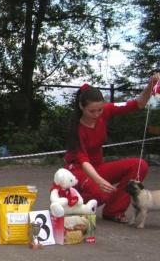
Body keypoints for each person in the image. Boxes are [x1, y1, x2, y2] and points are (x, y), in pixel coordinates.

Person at [64, 74, 160, 223]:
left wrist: (151, 84)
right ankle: (69, 202)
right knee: (102, 193)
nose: (97, 114)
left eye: (100, 110)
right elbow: (83, 161)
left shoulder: (106, 110)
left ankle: (114, 210)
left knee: (139, 165)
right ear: (81, 106)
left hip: (98, 167)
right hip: (78, 171)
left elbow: (138, 104)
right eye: (92, 111)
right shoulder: (76, 128)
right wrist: (100, 181)